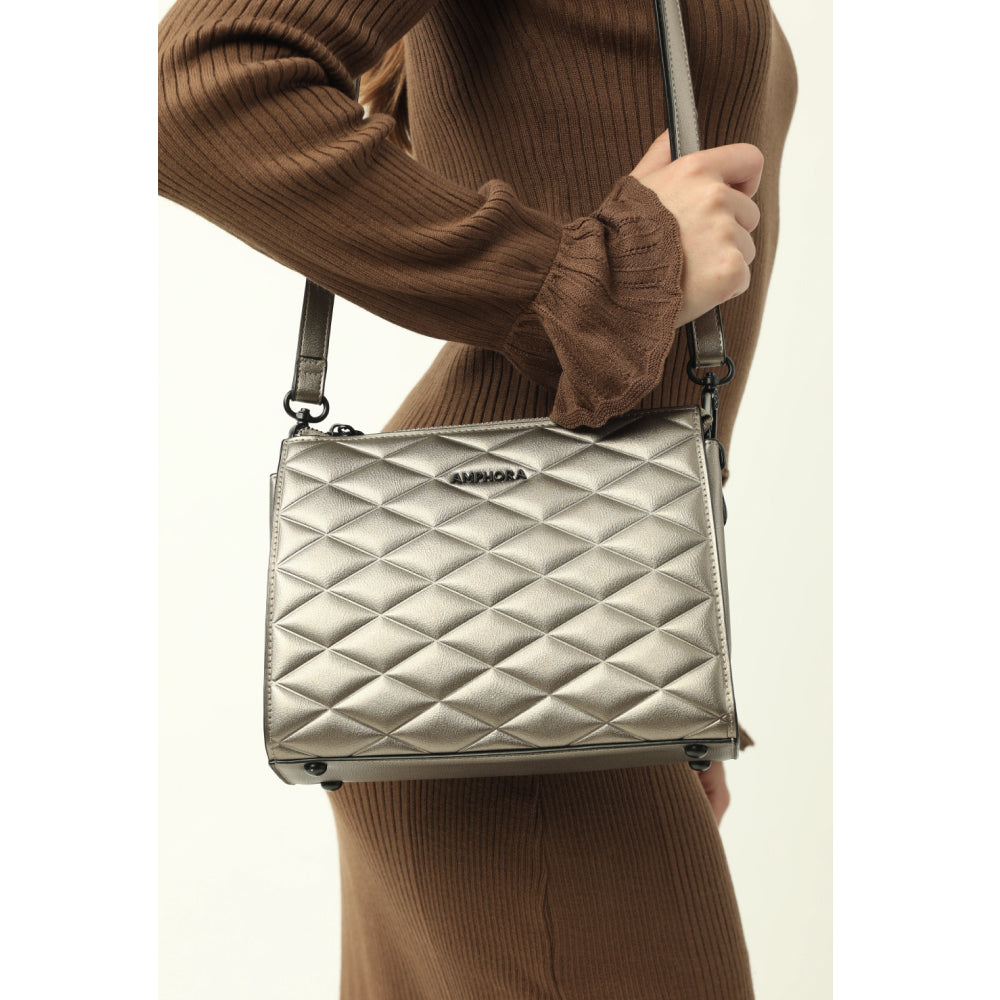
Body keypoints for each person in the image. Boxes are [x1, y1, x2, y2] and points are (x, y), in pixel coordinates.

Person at [159, 1, 798, 996]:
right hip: (503, 649)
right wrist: (594, 275)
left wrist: (673, 649)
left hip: (579, 632)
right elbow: (201, 85)